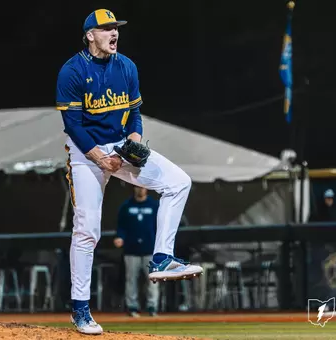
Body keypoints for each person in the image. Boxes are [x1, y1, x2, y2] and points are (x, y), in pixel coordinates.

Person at [55, 8, 203, 335]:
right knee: (87, 230)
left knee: (179, 182)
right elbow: (73, 126)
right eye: (106, 28)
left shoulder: (127, 67)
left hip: (121, 146)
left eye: (116, 28)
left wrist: (134, 140)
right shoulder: (72, 71)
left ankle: (162, 257)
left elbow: (134, 113)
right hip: (85, 152)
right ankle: (80, 309)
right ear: (90, 35)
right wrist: (99, 159)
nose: (114, 33)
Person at [114, 186, 160, 318]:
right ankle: (132, 306)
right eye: (138, 187)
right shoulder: (126, 206)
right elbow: (121, 226)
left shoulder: (154, 206)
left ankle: (152, 307)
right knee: (131, 280)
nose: (140, 190)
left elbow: (160, 226)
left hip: (150, 249)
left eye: (143, 187)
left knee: (153, 280)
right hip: (131, 249)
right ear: (134, 188)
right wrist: (120, 237)